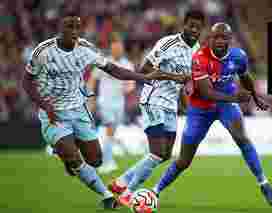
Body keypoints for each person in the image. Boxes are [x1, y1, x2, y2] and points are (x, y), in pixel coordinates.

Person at [22, 13, 186, 210]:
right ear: (60, 28)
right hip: (54, 113)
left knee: (95, 160)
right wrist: (44, 104)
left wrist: (143, 77)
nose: (74, 31)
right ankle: (107, 195)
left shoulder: (86, 49)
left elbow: (114, 70)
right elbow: (27, 81)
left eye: (77, 27)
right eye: (69, 27)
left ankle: (67, 150)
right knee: (76, 158)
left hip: (79, 110)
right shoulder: (43, 51)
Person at [152, 23, 272, 207]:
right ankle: (156, 191)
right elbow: (206, 93)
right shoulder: (199, 58)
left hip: (226, 105)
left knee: (242, 138)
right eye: (216, 37)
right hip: (200, 109)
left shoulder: (239, 56)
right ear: (209, 38)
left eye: (224, 37)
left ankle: (264, 183)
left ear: (230, 39)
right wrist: (235, 97)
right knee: (184, 160)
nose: (220, 40)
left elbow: (245, 77)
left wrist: (255, 96)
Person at [107, 9, 206, 206]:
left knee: (166, 154)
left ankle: (121, 182)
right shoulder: (167, 43)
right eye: (191, 25)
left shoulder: (197, 50)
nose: (194, 30)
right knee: (156, 152)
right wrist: (172, 76)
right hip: (153, 100)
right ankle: (127, 194)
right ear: (183, 24)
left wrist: (185, 106)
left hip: (170, 105)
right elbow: (144, 70)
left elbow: (184, 82)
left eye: (198, 27)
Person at [88, 32, 135, 174]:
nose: (117, 50)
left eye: (119, 48)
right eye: (115, 48)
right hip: (105, 102)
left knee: (112, 132)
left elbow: (131, 83)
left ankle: (103, 158)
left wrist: (129, 88)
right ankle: (106, 162)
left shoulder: (128, 64)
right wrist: (91, 97)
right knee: (109, 128)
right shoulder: (104, 62)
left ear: (122, 49)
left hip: (119, 103)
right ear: (111, 48)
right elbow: (92, 80)